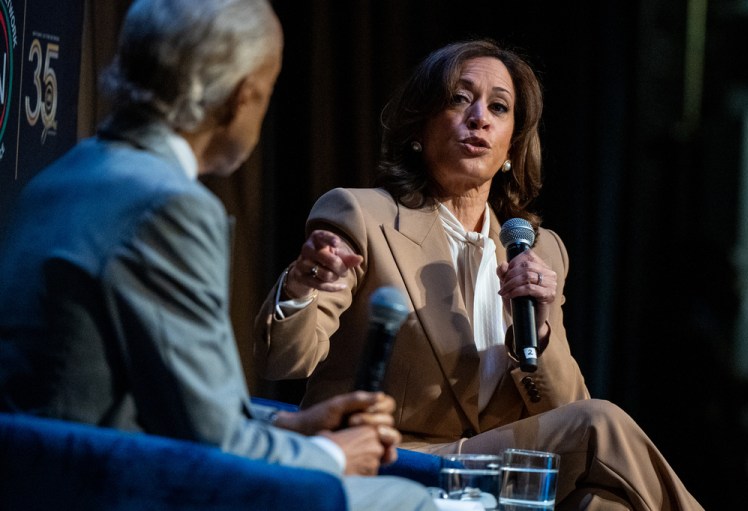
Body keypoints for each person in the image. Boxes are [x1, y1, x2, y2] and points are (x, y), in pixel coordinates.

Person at [0, 1, 437, 510]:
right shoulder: (168, 205)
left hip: (44, 476)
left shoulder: (60, 176)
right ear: (241, 96)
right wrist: (331, 454)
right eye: (269, 91)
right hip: (107, 489)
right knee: (408, 499)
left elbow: (167, 400)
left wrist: (289, 425)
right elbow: (216, 447)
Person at [254, 40, 703, 510]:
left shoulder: (538, 248)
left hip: (500, 469)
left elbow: (563, 406)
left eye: (499, 107)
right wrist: (303, 286)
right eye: (459, 99)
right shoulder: (363, 216)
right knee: (601, 425)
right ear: (420, 127)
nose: (480, 118)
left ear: (512, 142)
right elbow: (283, 363)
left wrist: (540, 327)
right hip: (400, 458)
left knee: (606, 499)